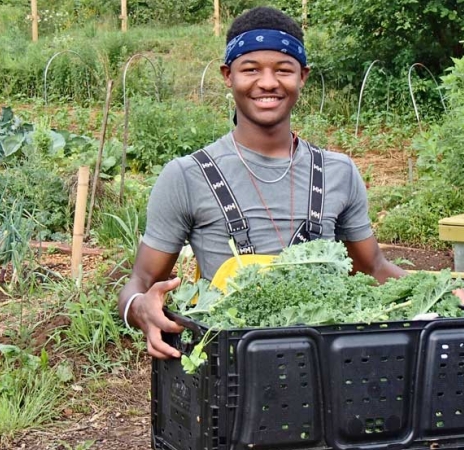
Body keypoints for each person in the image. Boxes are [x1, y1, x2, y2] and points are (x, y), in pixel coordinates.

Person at [119, 6, 415, 359]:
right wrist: (140, 308)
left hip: (328, 369)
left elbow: (373, 268)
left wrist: (444, 291)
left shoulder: (339, 172)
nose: (268, 82)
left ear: (302, 76)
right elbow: (142, 280)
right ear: (228, 76)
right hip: (231, 375)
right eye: (251, 69)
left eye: (283, 70)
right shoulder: (188, 175)